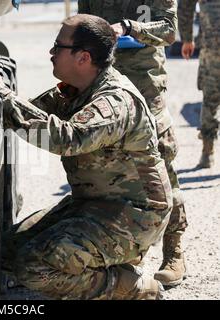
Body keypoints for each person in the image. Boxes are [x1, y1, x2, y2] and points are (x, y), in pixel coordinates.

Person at [0, 14, 172, 299]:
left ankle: (130, 285)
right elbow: (26, 115)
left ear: (83, 58)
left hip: (136, 215)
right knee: (9, 252)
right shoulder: (78, 88)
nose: (51, 53)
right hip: (95, 204)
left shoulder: (115, 100)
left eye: (57, 46)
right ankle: (105, 258)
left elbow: (67, 138)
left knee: (34, 266)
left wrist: (1, 93)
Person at [77, 0, 187, 288]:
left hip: (145, 84)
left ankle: (174, 251)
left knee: (160, 161)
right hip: (105, 82)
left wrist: (130, 28)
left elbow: (168, 29)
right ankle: (123, 252)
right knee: (111, 164)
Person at [179, 0, 220, 168]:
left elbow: (185, 6)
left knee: (210, 100)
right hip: (213, 50)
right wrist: (187, 38)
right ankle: (207, 151)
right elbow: (186, 5)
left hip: (212, 48)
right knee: (210, 99)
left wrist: (187, 38)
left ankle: (207, 152)